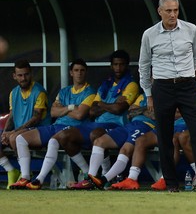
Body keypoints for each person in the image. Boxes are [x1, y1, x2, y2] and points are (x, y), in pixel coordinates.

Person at [25, 49, 139, 190]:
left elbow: (118, 110)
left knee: (96, 134)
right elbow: (92, 110)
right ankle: (40, 179)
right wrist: (111, 104)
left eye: (121, 64)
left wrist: (102, 104)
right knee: (63, 137)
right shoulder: (106, 85)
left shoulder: (131, 85)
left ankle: (102, 176)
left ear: (127, 65)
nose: (118, 68)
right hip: (96, 122)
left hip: (116, 125)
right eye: (115, 64)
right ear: (111, 66)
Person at [139, 0, 196, 192]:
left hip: (187, 85)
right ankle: (171, 184)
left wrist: (186, 74)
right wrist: (148, 94)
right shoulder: (149, 34)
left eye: (176, 10)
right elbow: (144, 65)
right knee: (164, 137)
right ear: (160, 11)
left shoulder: (191, 29)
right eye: (169, 11)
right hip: (162, 87)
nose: (173, 14)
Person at [11, 59, 96, 190]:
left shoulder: (90, 92)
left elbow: (80, 115)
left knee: (53, 141)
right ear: (71, 73)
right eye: (76, 70)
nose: (79, 73)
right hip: (56, 125)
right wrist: (72, 107)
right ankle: (25, 177)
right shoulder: (64, 91)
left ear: (86, 72)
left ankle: (39, 179)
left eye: (82, 70)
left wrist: (63, 109)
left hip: (74, 128)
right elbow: (53, 112)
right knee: (20, 139)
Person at [69, 93, 155, 190]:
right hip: (129, 125)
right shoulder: (143, 96)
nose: (151, 80)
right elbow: (130, 113)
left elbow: (156, 115)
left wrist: (140, 110)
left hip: (146, 126)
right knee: (99, 141)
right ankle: (90, 178)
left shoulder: (162, 95)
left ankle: (104, 180)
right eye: (150, 78)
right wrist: (145, 109)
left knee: (125, 150)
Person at [148, 67, 196, 191]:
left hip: (189, 124)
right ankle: (167, 181)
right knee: (161, 138)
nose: (195, 69)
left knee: (187, 136)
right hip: (175, 118)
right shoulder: (160, 86)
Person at [2, 60, 49, 189]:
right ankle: (11, 170)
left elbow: (36, 117)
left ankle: (24, 174)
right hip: (19, 130)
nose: (23, 78)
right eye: (20, 75)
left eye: (26, 74)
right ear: (14, 76)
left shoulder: (39, 91)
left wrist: (13, 132)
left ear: (31, 74)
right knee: (8, 136)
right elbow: (12, 115)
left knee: (15, 138)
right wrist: (6, 132)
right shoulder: (13, 93)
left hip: (38, 129)